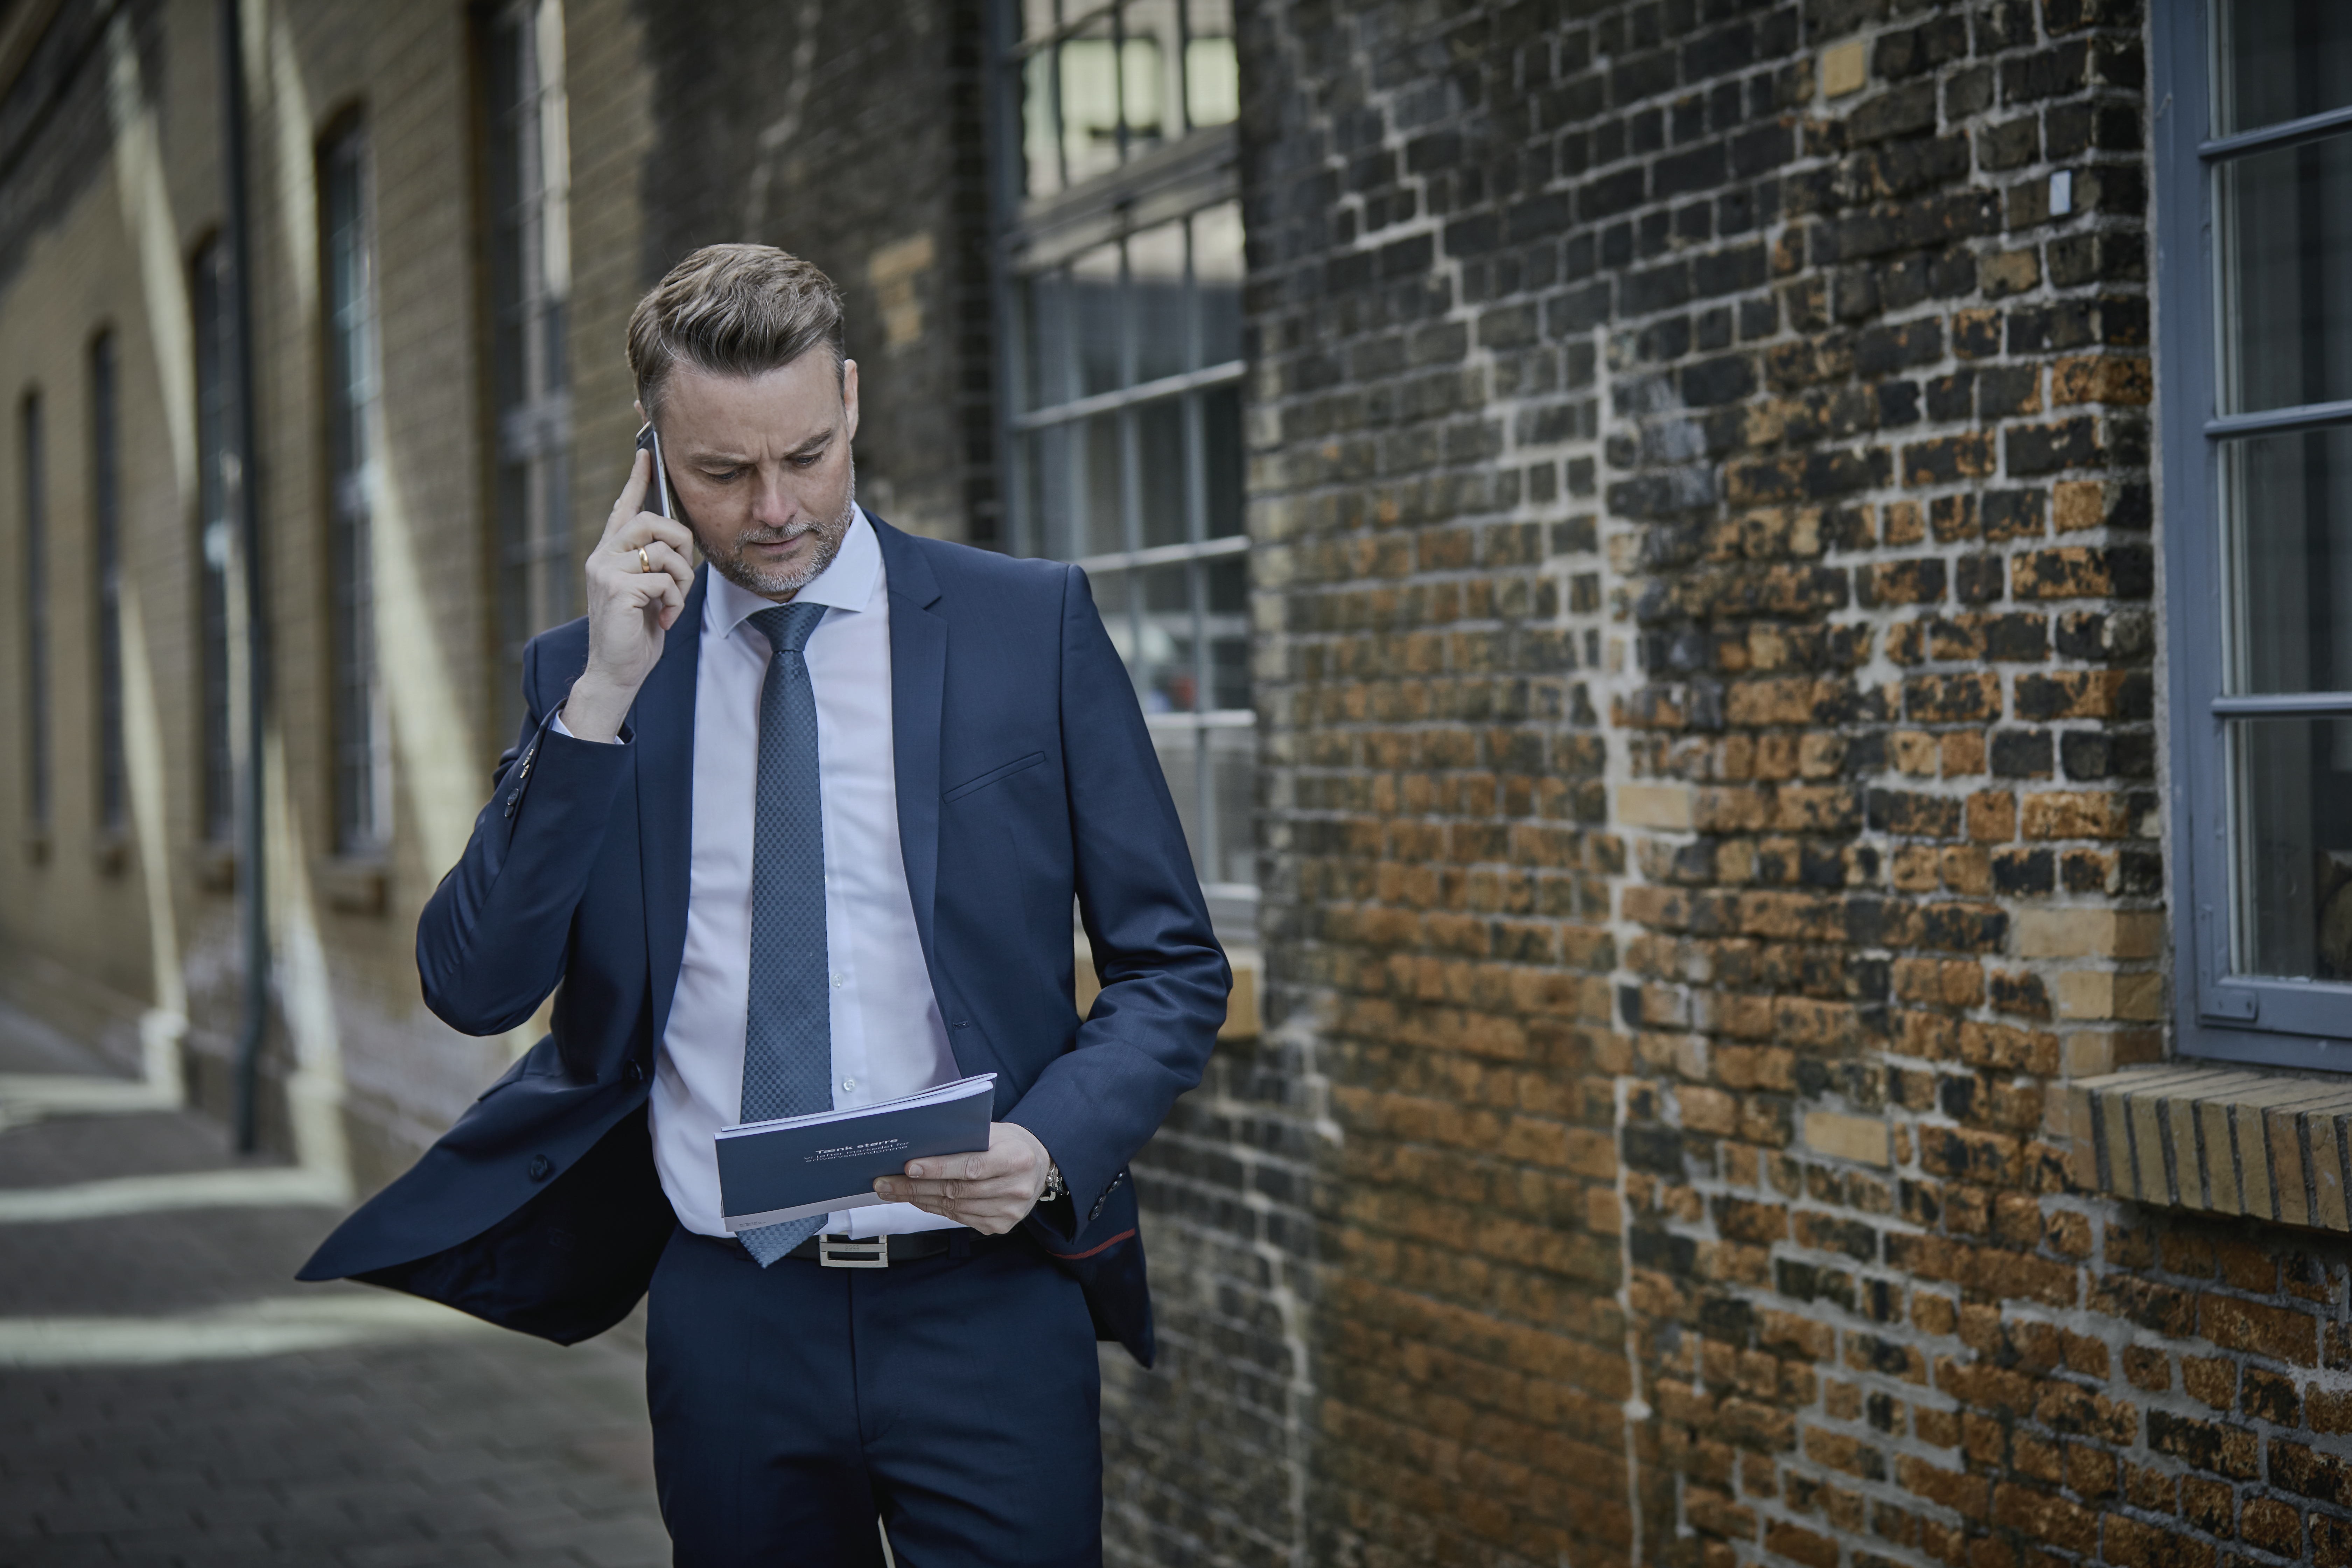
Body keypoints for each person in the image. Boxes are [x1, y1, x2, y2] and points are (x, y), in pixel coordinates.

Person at [299, 244, 1230, 1567]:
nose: (776, 507)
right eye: (724, 473)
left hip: (990, 1306)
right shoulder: (595, 678)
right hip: (732, 1318)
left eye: (806, 455)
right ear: (654, 457)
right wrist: (601, 701)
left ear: (849, 400)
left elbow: (1174, 967)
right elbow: (474, 984)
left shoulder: (1030, 626)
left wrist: (1048, 1145)